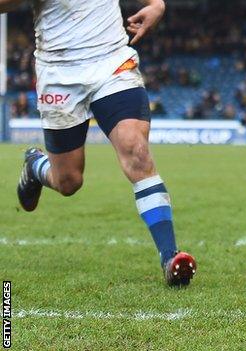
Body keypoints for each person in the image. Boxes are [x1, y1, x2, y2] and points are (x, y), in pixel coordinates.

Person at [3, 0, 196, 286]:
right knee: (68, 181)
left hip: (112, 61)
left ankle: (170, 257)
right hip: (59, 70)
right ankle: (36, 167)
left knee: (137, 150)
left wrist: (156, 4)